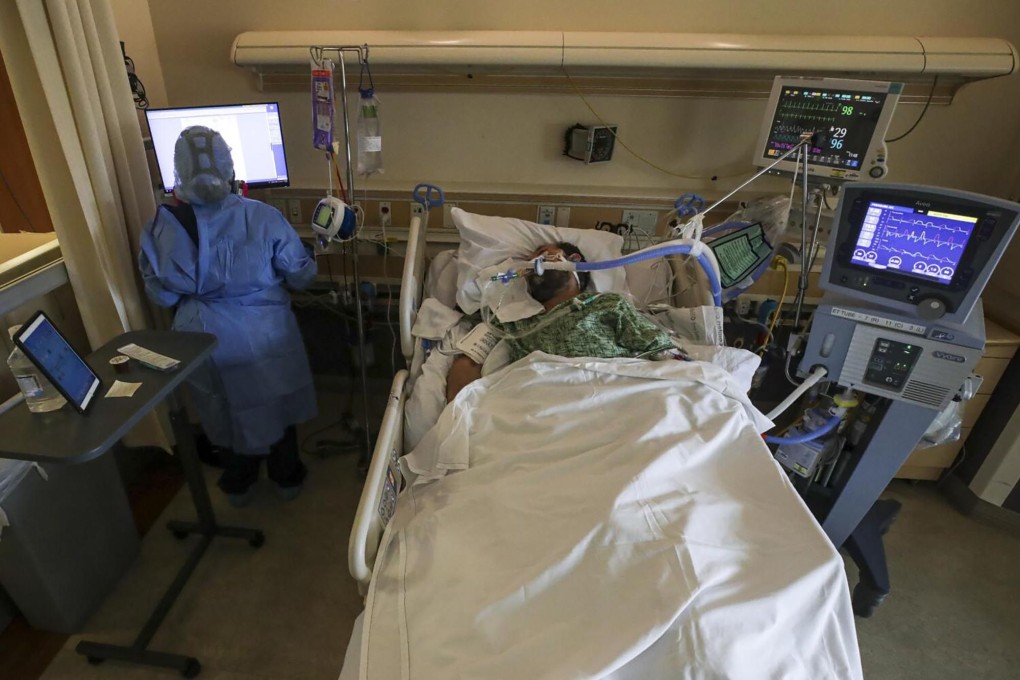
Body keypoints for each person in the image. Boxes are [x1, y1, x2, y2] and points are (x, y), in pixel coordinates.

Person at [139, 126, 317, 507]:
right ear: (230, 169)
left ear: (178, 174)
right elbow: (301, 275)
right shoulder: (264, 217)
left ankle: (239, 484)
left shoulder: (164, 226)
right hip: (264, 335)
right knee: (276, 409)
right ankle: (286, 479)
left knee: (225, 411)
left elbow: (162, 292)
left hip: (203, 339)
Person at [446, 242, 678, 401]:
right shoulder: (510, 320)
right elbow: (467, 364)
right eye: (528, 263)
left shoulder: (609, 304)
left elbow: (662, 351)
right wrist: (460, 418)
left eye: (542, 253)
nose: (532, 263)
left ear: (573, 260)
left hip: (615, 394)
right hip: (541, 404)